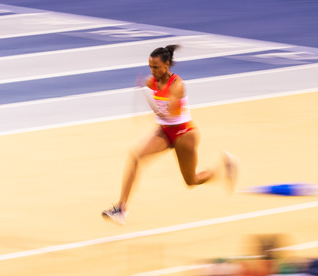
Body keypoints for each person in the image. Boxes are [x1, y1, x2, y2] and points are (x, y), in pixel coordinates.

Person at [102, 45, 238, 224]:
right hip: (165, 132)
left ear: (167, 65)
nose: (153, 71)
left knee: (191, 181)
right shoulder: (152, 82)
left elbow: (170, 114)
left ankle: (222, 167)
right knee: (135, 155)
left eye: (156, 67)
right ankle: (121, 208)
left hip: (184, 134)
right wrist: (147, 95)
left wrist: (148, 100)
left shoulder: (178, 85)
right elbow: (162, 116)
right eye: (150, 67)